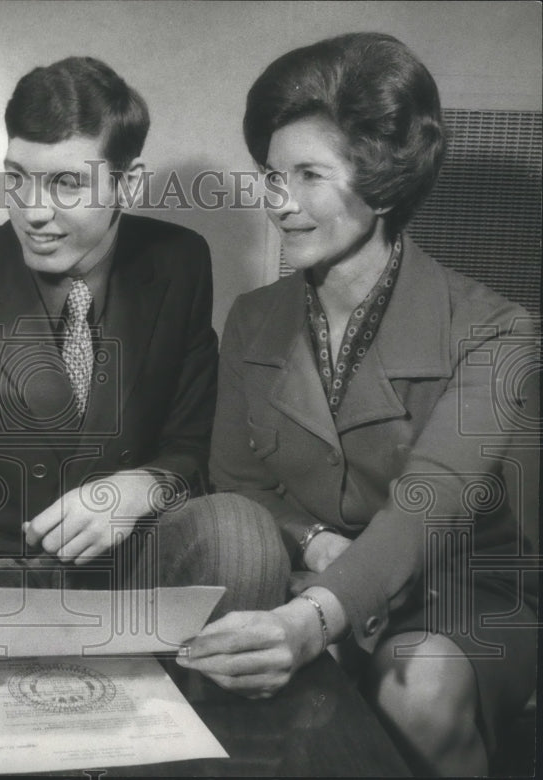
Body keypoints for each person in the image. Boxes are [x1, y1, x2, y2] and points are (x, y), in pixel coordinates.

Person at [176, 32, 539, 776]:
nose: (280, 202)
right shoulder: (252, 316)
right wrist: (312, 544)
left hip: (457, 591)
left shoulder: (497, 329)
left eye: (309, 175)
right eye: (271, 176)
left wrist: (316, 619)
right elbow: (238, 483)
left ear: (381, 184)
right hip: (299, 578)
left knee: (422, 693)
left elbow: (427, 504)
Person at [0, 56, 288, 611]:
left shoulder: (180, 261)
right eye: (17, 178)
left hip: (133, 564)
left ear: (128, 184)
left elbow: (194, 445)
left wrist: (139, 487)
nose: (32, 212)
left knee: (240, 532)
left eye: (67, 183)